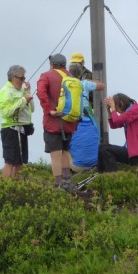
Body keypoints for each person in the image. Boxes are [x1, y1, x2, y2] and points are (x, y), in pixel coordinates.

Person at [36, 54, 78, 190]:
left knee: (55, 154)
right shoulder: (72, 77)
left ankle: (57, 184)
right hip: (69, 121)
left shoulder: (46, 76)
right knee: (65, 151)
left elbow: (41, 93)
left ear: (52, 64)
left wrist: (49, 110)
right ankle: (67, 181)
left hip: (53, 122)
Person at [98, 93, 138, 172]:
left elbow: (117, 120)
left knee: (106, 149)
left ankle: (113, 175)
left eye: (117, 108)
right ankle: (102, 173)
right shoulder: (130, 112)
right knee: (102, 147)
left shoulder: (136, 110)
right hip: (133, 153)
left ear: (121, 103)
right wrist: (109, 111)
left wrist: (112, 108)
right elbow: (114, 125)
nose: (118, 112)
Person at [0, 65, 34, 179]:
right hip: (10, 129)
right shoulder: (5, 91)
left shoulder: (22, 91)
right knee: (10, 161)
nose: (23, 81)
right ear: (13, 77)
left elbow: (32, 109)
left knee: (19, 162)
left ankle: (15, 188)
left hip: (22, 129)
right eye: (21, 78)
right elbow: (7, 112)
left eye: (24, 78)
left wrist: (28, 92)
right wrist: (23, 101)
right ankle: (4, 187)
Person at [68, 63, 105, 172]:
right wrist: (92, 81)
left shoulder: (66, 84)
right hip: (86, 116)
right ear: (81, 73)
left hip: (72, 118)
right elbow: (101, 85)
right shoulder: (84, 84)